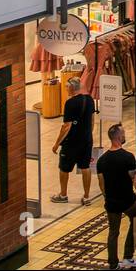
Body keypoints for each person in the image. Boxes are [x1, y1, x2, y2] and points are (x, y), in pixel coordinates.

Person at [96, 123, 136, 269]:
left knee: (113, 232)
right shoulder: (128, 157)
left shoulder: (102, 161)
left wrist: (107, 196)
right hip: (128, 201)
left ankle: (113, 263)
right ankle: (128, 257)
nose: (125, 135)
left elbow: (101, 183)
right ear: (119, 137)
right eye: (123, 133)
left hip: (111, 203)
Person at [50, 76, 96, 204]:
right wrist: (87, 135)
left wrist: (56, 144)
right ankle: (86, 197)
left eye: (66, 87)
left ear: (71, 88)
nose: (65, 89)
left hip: (71, 142)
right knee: (85, 167)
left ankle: (63, 195)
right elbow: (92, 121)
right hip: (86, 140)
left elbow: (66, 126)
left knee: (64, 168)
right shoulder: (89, 100)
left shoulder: (70, 103)